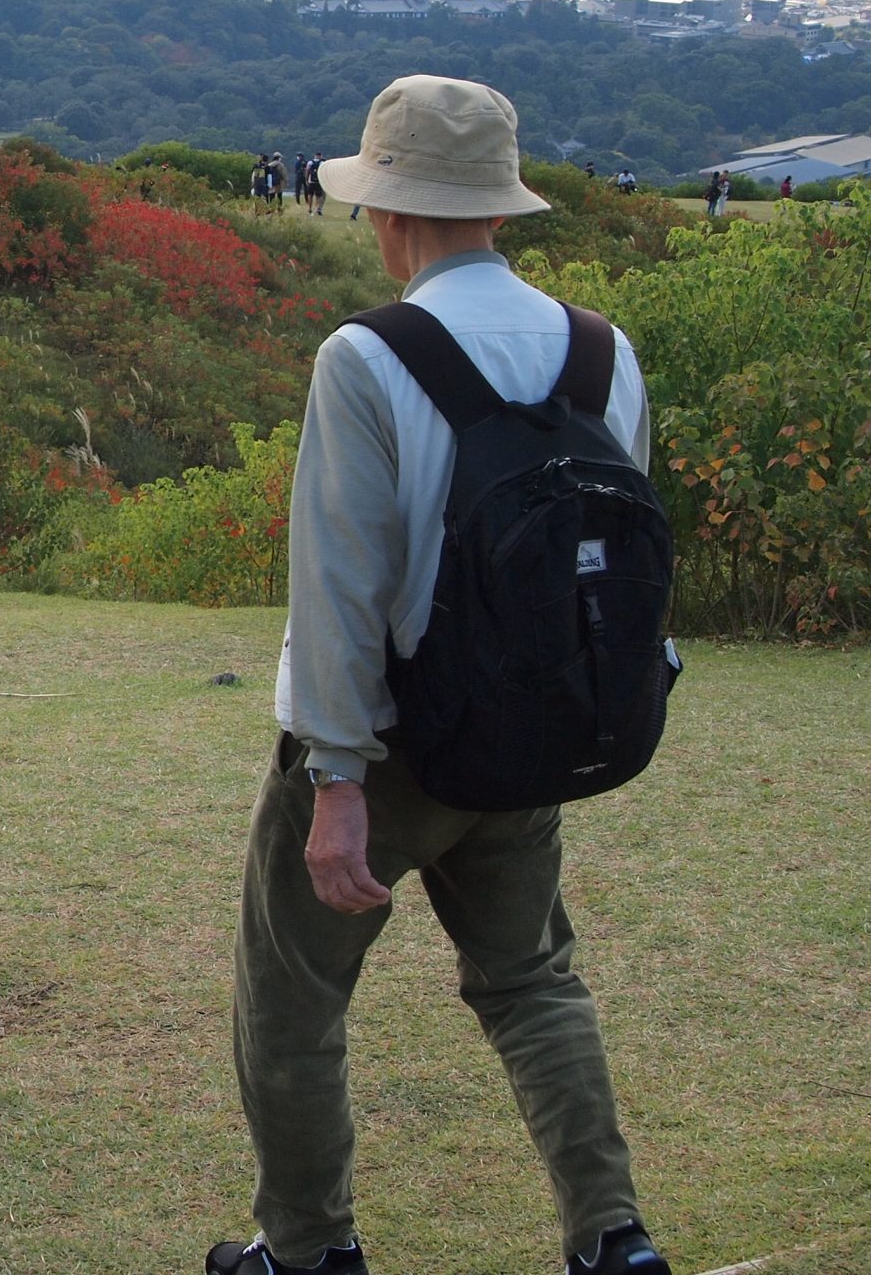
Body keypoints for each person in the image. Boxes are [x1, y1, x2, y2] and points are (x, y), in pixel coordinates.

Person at [208, 76, 670, 1275]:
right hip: (532, 734)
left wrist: (333, 775)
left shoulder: (366, 356)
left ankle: (308, 1249)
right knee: (531, 983)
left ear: (391, 212)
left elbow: (341, 584)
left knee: (293, 999)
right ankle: (611, 1237)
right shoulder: (603, 353)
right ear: (496, 209)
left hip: (393, 740)